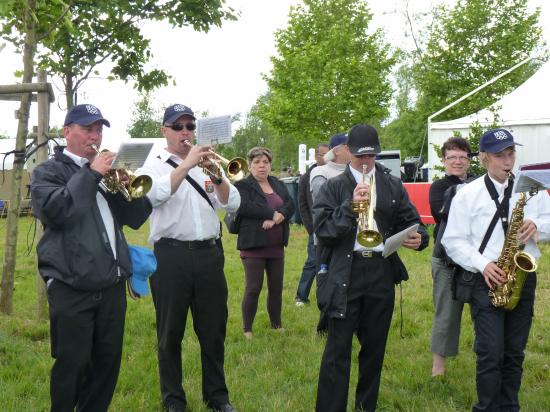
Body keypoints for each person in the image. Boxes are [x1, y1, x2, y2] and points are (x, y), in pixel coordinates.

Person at [30, 103, 152, 412]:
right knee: (73, 364)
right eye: (87, 129)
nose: (94, 135)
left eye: (99, 129)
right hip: (71, 287)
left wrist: (128, 187)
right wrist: (91, 174)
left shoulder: (107, 173)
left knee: (106, 365)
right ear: (66, 131)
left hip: (110, 286)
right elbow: (58, 212)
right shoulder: (48, 171)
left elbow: (136, 218)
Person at [313, 124, 429, 412]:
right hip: (345, 274)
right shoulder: (334, 186)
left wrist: (419, 237)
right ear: (348, 152)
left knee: (375, 350)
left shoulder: (391, 183)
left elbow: (412, 220)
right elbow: (323, 231)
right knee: (337, 352)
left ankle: (366, 406)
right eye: (360, 156)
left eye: (371, 156)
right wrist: (349, 208)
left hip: (380, 271)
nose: (366, 162)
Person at [135, 104, 240, 412]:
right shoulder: (151, 165)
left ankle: (217, 396)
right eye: (178, 126)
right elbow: (151, 196)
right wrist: (185, 166)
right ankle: (173, 400)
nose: (185, 132)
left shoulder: (207, 162)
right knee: (170, 333)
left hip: (209, 254)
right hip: (170, 257)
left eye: (190, 126)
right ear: (164, 130)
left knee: (213, 330)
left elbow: (232, 202)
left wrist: (215, 174)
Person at [442, 128, 550, 412]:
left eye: (511, 153)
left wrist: (538, 226)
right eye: (500, 156)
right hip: (486, 279)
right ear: (483, 158)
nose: (507, 162)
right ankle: (487, 407)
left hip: (522, 277)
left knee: (514, 353)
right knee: (490, 353)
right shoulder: (467, 194)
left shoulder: (532, 187)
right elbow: (452, 241)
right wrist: (484, 264)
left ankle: (509, 406)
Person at [234, 147, 294, 339]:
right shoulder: (244, 185)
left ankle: (276, 325)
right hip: (254, 245)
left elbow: (290, 204)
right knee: (254, 287)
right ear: (250, 165)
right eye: (257, 162)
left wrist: (279, 217)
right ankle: (247, 329)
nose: (262, 166)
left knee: (276, 288)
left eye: (265, 162)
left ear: (270, 165)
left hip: (276, 246)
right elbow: (245, 206)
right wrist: (270, 213)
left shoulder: (276, 183)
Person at [429, 136, 475, 377]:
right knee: (446, 313)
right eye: (452, 157)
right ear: (444, 161)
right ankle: (438, 369)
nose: (457, 161)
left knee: (485, 313)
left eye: (462, 156)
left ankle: (486, 360)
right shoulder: (438, 187)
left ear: (469, 159)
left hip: (479, 259)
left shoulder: (480, 182)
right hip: (446, 260)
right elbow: (443, 214)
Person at [309, 133, 351, 333]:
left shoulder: (356, 173)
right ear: (337, 151)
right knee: (328, 281)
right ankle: (325, 326)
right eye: (347, 145)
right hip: (328, 238)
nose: (352, 149)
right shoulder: (321, 173)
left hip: (352, 239)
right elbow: (321, 207)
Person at [295, 143, 329, 306]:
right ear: (316, 156)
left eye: (328, 154)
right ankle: (301, 296)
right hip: (315, 228)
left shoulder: (334, 173)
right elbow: (302, 205)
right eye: (323, 154)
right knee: (312, 261)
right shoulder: (306, 177)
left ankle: (326, 294)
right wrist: (310, 228)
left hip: (331, 226)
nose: (326, 157)